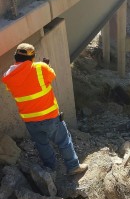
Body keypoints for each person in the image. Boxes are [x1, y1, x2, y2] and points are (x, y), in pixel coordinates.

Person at [2, 43, 88, 176]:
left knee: (42, 145)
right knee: (64, 141)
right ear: (32, 57)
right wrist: (46, 66)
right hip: (50, 117)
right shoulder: (40, 68)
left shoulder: (8, 76)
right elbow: (51, 75)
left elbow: (22, 82)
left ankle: (50, 168)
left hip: (30, 120)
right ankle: (73, 166)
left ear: (15, 57)